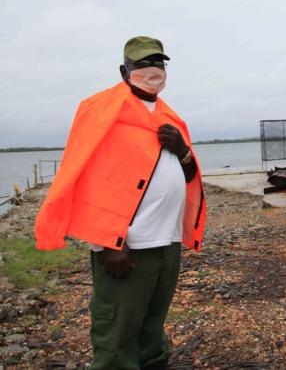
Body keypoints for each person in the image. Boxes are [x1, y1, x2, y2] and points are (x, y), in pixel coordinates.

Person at [34, 36, 207, 370]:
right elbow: (88, 174)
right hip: (127, 247)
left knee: (152, 327)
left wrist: (181, 150)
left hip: (166, 243)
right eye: (143, 64)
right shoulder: (102, 109)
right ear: (124, 69)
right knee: (117, 334)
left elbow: (188, 174)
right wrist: (106, 243)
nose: (153, 70)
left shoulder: (171, 117)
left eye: (158, 63)